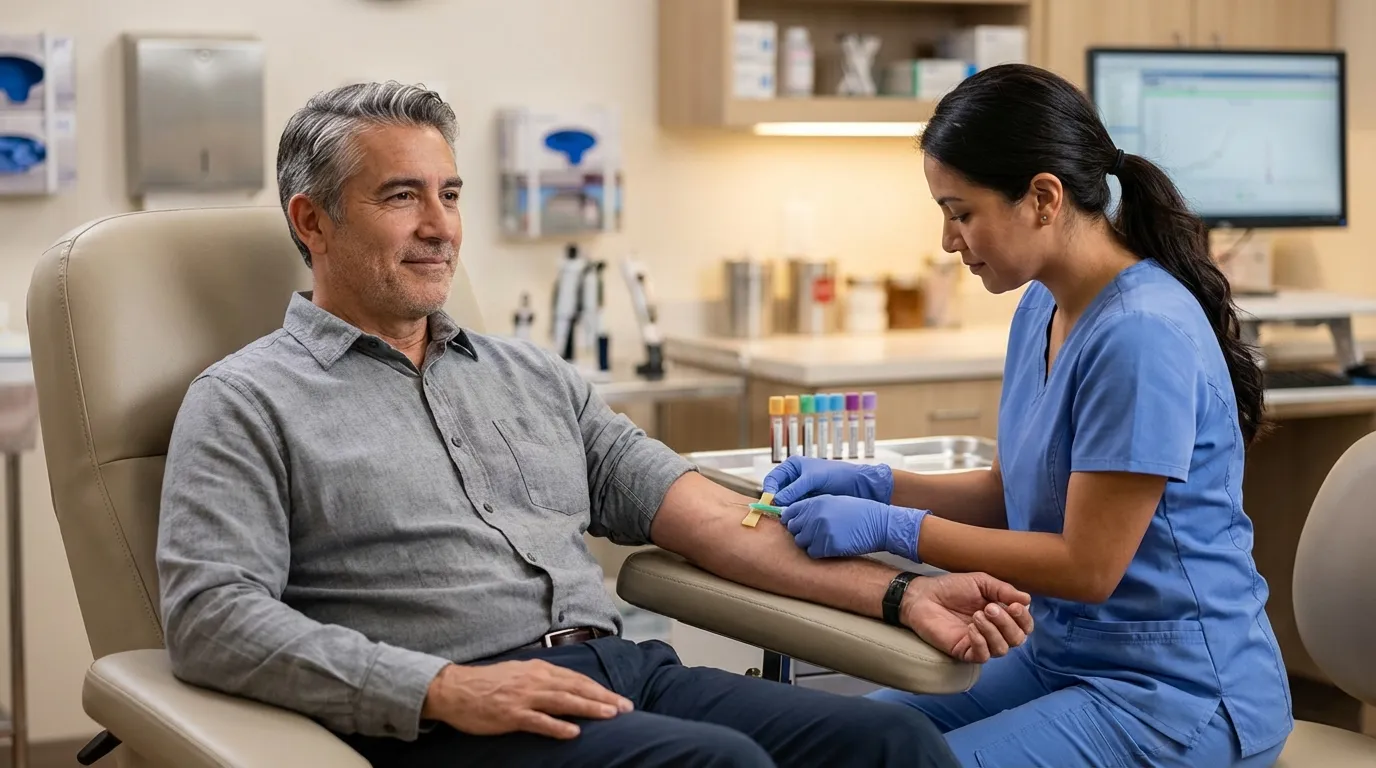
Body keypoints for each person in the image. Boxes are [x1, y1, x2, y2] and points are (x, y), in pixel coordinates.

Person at [155, 81, 1037, 768]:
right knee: (716, 765)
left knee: (894, 749)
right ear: (312, 220)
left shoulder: (532, 378)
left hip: (620, 671)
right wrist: (441, 689)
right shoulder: (246, 402)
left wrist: (901, 591)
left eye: (450, 194)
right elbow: (211, 617)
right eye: (401, 197)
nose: (440, 228)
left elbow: (715, 521)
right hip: (450, 721)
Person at [764, 63, 1292, 767]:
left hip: (1176, 694)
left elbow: (1086, 566)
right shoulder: (1042, 305)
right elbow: (1009, 491)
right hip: (1062, 654)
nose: (949, 240)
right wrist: (873, 482)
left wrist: (899, 529)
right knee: (844, 745)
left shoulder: (1140, 334)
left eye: (961, 212)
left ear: (1043, 198)